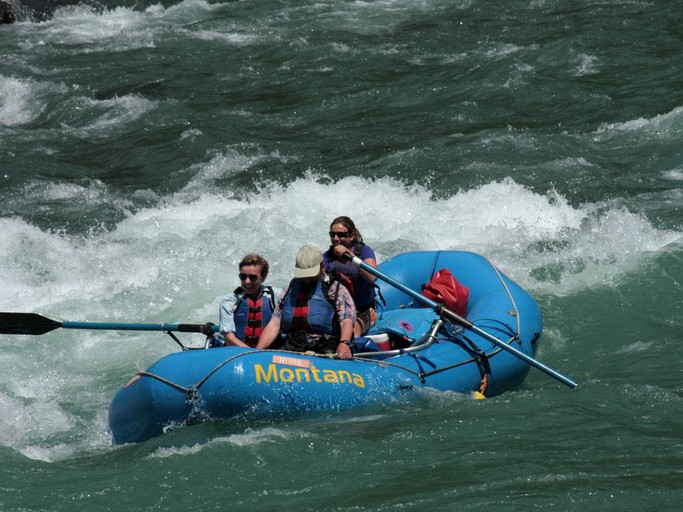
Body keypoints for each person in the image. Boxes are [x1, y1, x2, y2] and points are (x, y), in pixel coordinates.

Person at [256, 244, 355, 360]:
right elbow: (274, 324)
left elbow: (346, 320)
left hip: (325, 344)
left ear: (322, 267)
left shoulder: (336, 289)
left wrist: (344, 343)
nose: (307, 279)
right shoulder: (290, 288)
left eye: (310, 274)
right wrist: (258, 350)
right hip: (294, 343)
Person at [323, 216, 378, 337]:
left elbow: (372, 277)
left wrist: (351, 256)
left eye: (341, 235)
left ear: (352, 236)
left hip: (364, 311)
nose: (336, 239)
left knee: (353, 330)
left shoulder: (364, 251)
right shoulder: (327, 257)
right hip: (338, 311)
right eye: (332, 235)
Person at [215, 253, 279, 348]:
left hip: (269, 354)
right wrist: (250, 353)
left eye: (253, 277)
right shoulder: (229, 301)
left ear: (263, 277)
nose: (247, 281)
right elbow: (229, 338)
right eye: (243, 276)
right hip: (239, 353)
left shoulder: (276, 296)